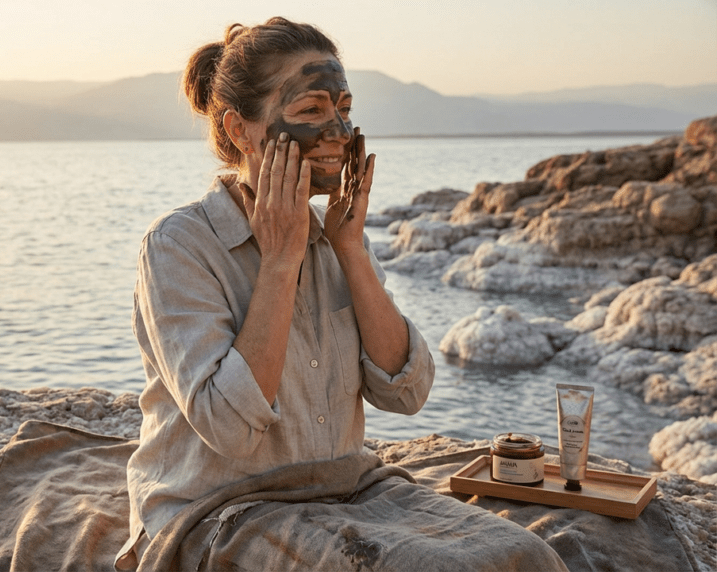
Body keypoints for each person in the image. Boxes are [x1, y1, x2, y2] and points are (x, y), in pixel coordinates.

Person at [116, 17, 567, 572]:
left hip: (347, 487)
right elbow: (228, 428)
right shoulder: (178, 245)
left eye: (344, 109)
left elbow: (407, 394)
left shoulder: (335, 236)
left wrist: (350, 249)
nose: (339, 131)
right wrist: (280, 262)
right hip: (220, 509)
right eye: (311, 110)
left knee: (530, 555)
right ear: (240, 130)